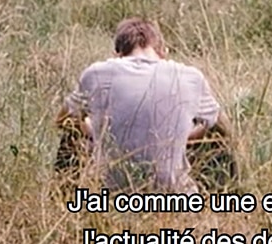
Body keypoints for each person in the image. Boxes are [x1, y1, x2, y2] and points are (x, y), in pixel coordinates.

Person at [55, 17, 231, 195]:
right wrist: (182, 137)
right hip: (174, 196)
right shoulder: (190, 76)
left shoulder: (96, 73)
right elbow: (225, 126)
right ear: (163, 51)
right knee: (217, 134)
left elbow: (63, 120)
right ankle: (228, 203)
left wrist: (97, 134)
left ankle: (64, 201)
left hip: (111, 196)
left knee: (71, 133)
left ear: (117, 53)